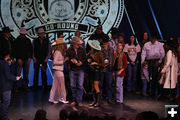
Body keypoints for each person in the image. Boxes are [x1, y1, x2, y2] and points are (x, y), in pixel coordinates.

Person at [65, 37, 86, 106]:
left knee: (80, 86)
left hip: (80, 69)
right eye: (77, 43)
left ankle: (79, 101)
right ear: (74, 43)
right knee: (72, 86)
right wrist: (71, 61)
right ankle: (74, 100)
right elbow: (66, 60)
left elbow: (84, 59)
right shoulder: (69, 50)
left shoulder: (82, 49)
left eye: (79, 44)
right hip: (72, 69)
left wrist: (81, 62)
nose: (78, 45)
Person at [49, 32, 69, 104]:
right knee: (61, 85)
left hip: (58, 69)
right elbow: (55, 62)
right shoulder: (57, 52)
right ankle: (62, 98)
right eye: (63, 44)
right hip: (58, 70)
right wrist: (64, 61)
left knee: (55, 85)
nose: (64, 45)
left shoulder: (59, 52)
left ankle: (52, 98)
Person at [0, 53, 21, 120]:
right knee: (6, 103)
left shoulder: (1, 62)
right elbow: (8, 75)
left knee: (2, 102)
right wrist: (16, 78)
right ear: (7, 56)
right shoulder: (5, 64)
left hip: (2, 85)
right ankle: (4, 118)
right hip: (6, 86)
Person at [87, 40, 105, 107]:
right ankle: (94, 101)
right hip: (91, 70)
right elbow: (87, 58)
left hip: (96, 71)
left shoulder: (99, 53)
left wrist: (96, 63)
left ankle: (98, 102)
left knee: (96, 85)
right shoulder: (91, 52)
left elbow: (103, 64)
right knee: (92, 86)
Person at [99, 36, 114, 104]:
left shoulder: (111, 49)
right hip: (101, 69)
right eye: (103, 43)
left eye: (105, 43)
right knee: (100, 85)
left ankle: (109, 99)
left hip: (108, 69)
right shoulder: (100, 50)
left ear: (108, 43)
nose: (104, 45)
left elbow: (112, 58)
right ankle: (100, 100)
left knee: (109, 85)